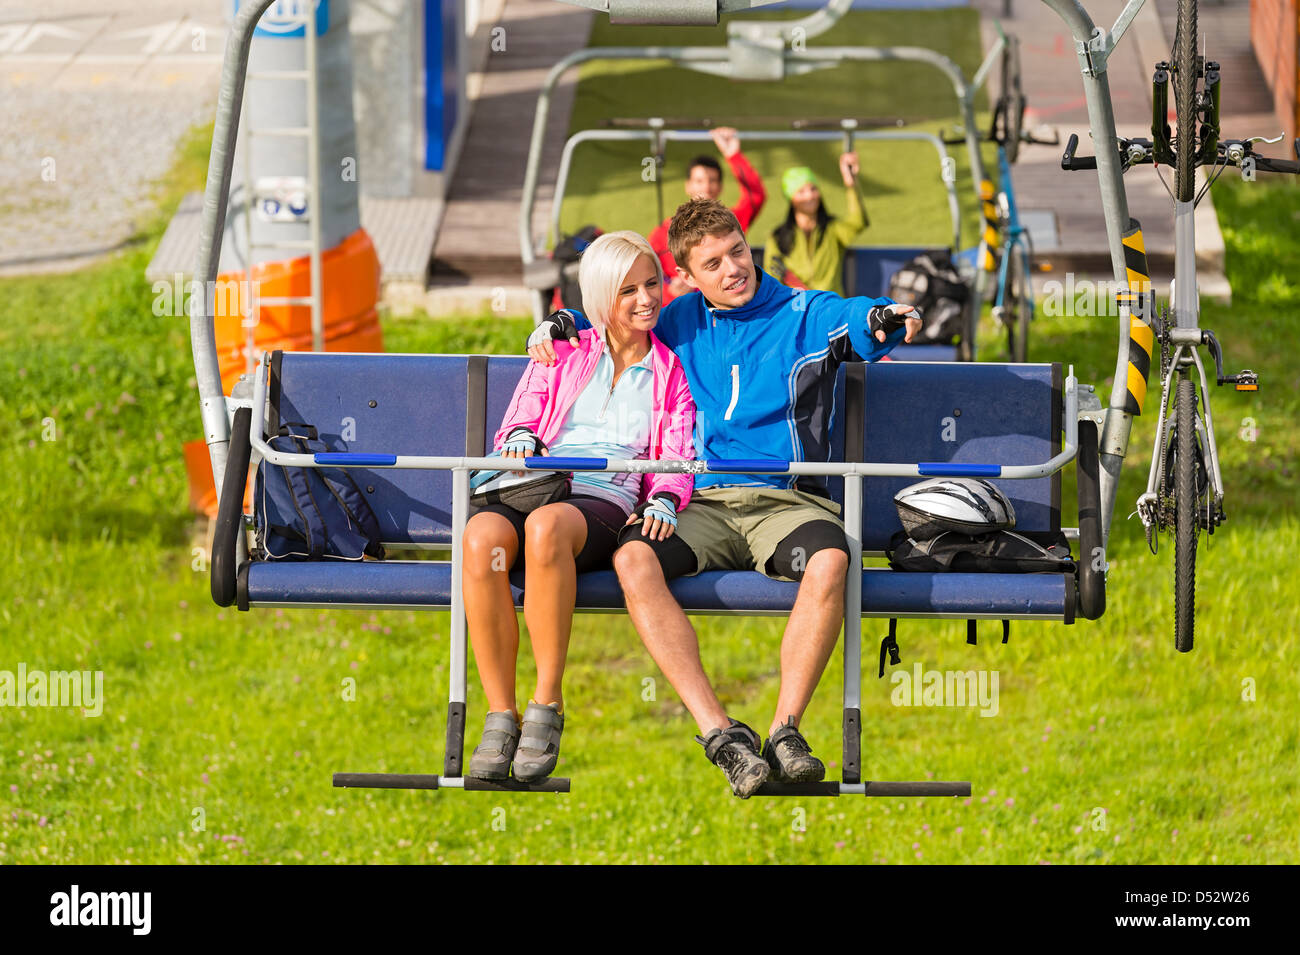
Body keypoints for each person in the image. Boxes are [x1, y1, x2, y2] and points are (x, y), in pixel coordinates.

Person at [527, 199, 921, 798]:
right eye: (713, 263)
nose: (733, 268)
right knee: (632, 558)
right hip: (696, 503)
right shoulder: (678, 320)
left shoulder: (801, 310)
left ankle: (786, 732)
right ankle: (721, 737)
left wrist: (884, 316)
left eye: (737, 249)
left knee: (833, 559)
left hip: (784, 502)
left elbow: (856, 319)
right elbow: (610, 321)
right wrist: (558, 327)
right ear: (687, 276)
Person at [462, 230, 696, 783]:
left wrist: (663, 496)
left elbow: (677, 452)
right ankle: (500, 713)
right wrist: (520, 436)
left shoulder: (670, 370)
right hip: (535, 477)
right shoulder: (563, 350)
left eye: (651, 284)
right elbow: (522, 412)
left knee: (546, 530)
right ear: (598, 298)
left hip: (602, 495)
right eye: (627, 291)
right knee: (481, 541)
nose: (646, 299)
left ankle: (547, 702)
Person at [648, 126, 766, 306]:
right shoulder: (661, 234)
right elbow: (648, 278)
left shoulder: (731, 222)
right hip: (684, 315)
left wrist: (733, 155)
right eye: (699, 181)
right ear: (688, 185)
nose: (706, 187)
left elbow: (755, 196)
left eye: (712, 181)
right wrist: (672, 293)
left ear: (720, 187)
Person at [761, 153, 868, 297]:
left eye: (813, 189)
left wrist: (851, 183)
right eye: (801, 191)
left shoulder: (833, 229)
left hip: (831, 309)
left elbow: (858, 222)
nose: (810, 196)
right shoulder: (777, 237)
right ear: (791, 198)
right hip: (796, 312)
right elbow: (771, 279)